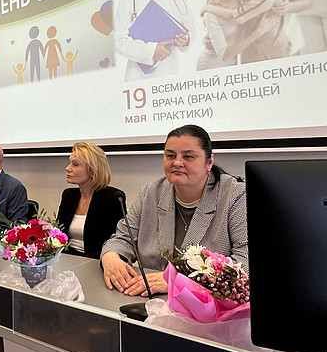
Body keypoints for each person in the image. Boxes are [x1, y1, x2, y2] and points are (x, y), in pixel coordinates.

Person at [100, 124, 248, 297]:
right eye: (170, 155)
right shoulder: (150, 192)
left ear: (209, 162)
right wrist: (111, 256)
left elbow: (245, 262)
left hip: (207, 304)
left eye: (188, 156)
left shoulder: (235, 195)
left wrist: (180, 280)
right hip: (147, 299)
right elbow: (122, 238)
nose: (177, 162)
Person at [197, 0, 277, 70]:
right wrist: (258, 33)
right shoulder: (210, 15)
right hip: (212, 66)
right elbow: (224, 56)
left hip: (232, 65)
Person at [56, 142, 125, 259]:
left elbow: (117, 243)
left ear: (93, 170)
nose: (67, 168)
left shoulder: (113, 197)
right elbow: (59, 235)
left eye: (75, 164)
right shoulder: (68, 195)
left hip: (96, 261)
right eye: (69, 163)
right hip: (67, 259)